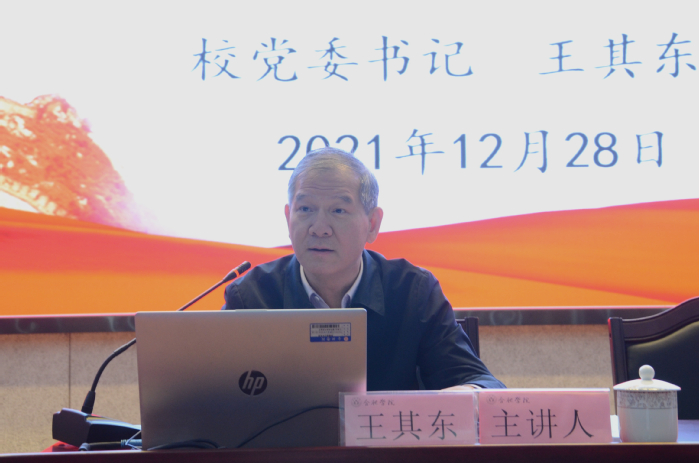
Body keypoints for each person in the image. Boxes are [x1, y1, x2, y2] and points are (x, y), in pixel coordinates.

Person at [223, 147, 505, 391]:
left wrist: (460, 395)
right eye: (305, 209)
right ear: (288, 218)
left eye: (338, 211)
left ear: (372, 224)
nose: (319, 228)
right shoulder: (252, 296)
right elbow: (213, 394)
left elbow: (479, 382)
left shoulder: (412, 292)